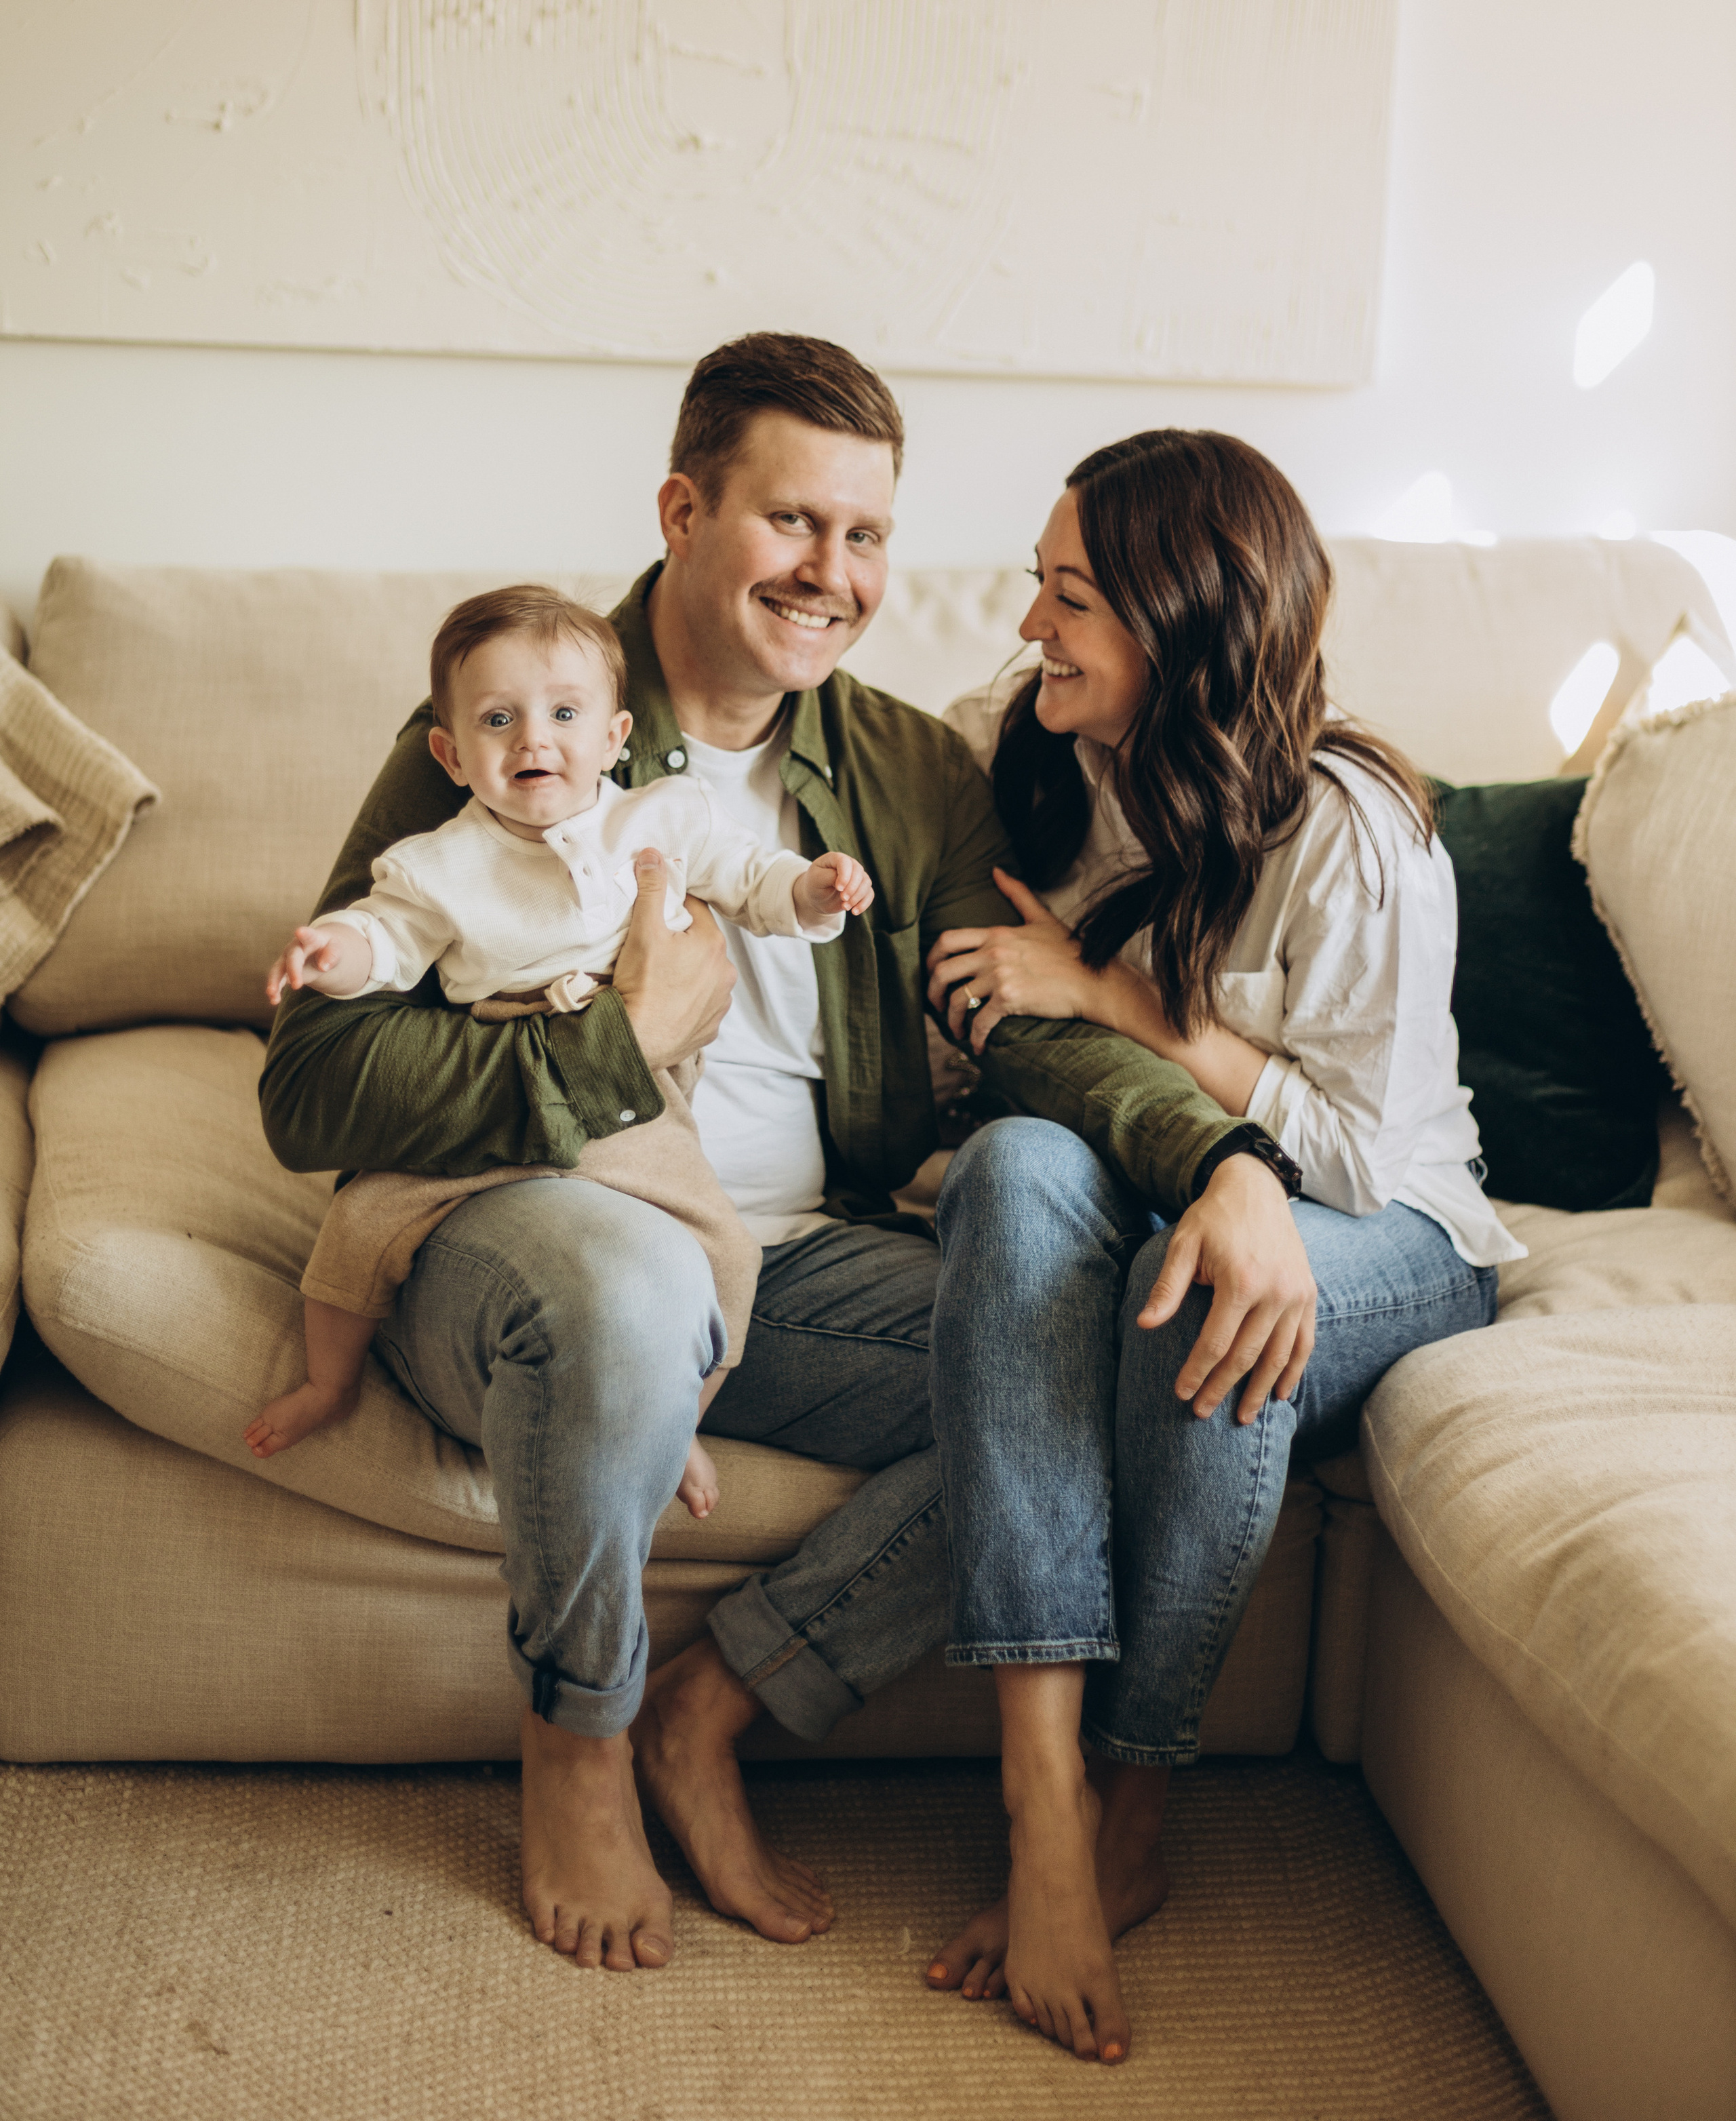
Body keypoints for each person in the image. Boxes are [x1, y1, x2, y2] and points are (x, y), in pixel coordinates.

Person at [259, 340, 1303, 1977]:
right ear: (682, 512)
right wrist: (613, 1045)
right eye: (791, 522)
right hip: (524, 1230)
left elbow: (1017, 1021)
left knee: (1100, 1376)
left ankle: (714, 1701)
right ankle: (576, 1737)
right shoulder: (525, 719)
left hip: (789, 1259)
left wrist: (1222, 1158)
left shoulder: (905, 770)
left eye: (865, 535)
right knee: (620, 1281)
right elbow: (312, 1089)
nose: (832, 573)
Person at [920, 429, 1520, 2065]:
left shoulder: (1350, 829)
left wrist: (1108, 998)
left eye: (1068, 600)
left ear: (1179, 622)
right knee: (1011, 1171)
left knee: (1188, 1289)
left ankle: (1130, 1811)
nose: (1030, 628)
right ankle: (1039, 1800)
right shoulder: (1027, 755)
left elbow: (1355, 1152)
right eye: (1038, 588)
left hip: (1393, 1230)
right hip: (1146, 1186)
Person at [246, 584, 871, 1522]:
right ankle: (328, 1383)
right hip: (498, 1066)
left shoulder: (662, 820)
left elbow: (753, 879)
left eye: (565, 715)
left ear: (616, 737)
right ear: (452, 755)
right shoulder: (438, 863)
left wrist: (814, 893)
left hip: (634, 1105)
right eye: (499, 720)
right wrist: (330, 954)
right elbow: (385, 936)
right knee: (361, 1221)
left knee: (729, 1258)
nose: (534, 740)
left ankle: (678, 1418)